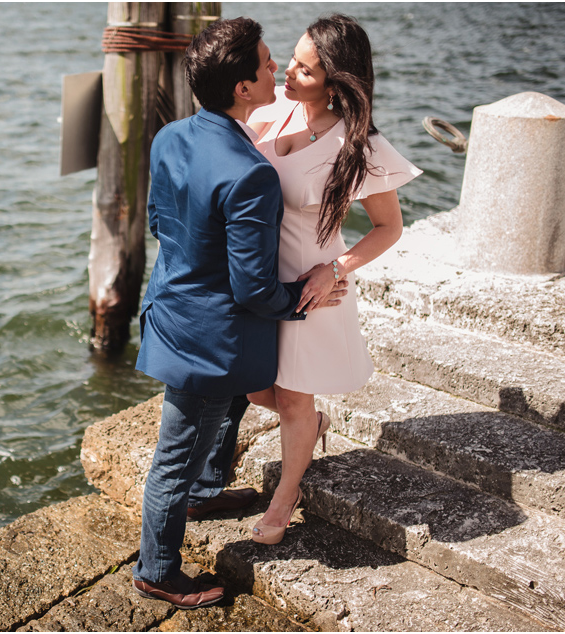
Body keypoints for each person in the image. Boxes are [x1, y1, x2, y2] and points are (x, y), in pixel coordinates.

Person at [132, 17, 348, 609]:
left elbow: (159, 223)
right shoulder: (251, 172)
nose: (277, 68)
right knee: (172, 459)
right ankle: (157, 571)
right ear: (244, 90)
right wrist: (305, 299)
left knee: (216, 418)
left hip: (173, 308)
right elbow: (254, 290)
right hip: (209, 339)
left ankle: (205, 491)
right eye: (267, 63)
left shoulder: (169, 137)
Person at [245, 13, 422, 544]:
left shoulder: (357, 144)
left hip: (310, 285)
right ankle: (313, 429)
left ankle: (284, 498)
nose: (288, 74)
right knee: (255, 389)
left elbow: (389, 227)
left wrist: (335, 269)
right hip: (257, 278)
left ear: (336, 80)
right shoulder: (273, 108)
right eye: (291, 61)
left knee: (295, 399)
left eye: (303, 68)